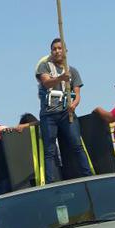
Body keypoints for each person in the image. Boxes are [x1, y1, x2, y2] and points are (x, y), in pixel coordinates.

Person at [36, 37, 92, 183]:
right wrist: (61, 78)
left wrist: (74, 104)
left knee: (76, 144)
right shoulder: (45, 66)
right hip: (49, 115)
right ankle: (50, 181)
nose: (57, 51)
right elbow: (47, 82)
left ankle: (88, 175)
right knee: (49, 150)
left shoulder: (73, 71)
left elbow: (77, 94)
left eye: (60, 48)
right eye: (54, 49)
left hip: (66, 113)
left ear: (65, 51)